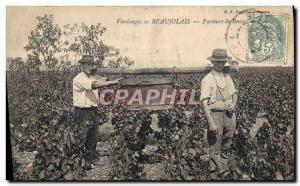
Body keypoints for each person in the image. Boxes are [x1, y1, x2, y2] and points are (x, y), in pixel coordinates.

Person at [73, 55, 122, 163]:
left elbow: (102, 79)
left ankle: (91, 158)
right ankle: (78, 159)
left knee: (93, 135)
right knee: (82, 135)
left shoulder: (91, 76)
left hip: (93, 110)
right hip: (82, 111)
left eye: (91, 65)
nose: (90, 67)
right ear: (82, 65)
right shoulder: (79, 78)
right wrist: (112, 83)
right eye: (87, 65)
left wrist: (117, 78)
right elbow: (95, 85)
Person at [200, 49, 238, 179]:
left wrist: (233, 105)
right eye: (217, 62)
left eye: (222, 62)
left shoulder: (227, 77)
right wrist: (211, 122)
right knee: (215, 146)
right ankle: (214, 174)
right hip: (215, 115)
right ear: (213, 62)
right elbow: (204, 103)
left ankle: (224, 171)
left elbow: (234, 94)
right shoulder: (207, 79)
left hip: (229, 115)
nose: (220, 64)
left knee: (227, 144)